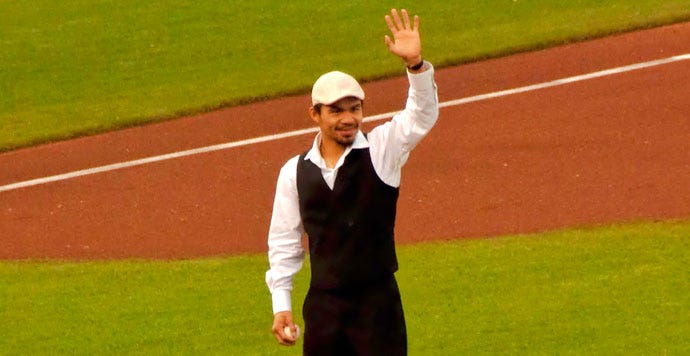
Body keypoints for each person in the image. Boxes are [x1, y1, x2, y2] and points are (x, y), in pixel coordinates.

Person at [265, 8, 438, 355]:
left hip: (377, 311)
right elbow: (284, 242)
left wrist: (416, 66)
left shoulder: (381, 150)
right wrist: (281, 304)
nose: (348, 119)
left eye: (355, 108)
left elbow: (421, 116)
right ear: (315, 114)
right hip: (324, 310)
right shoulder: (293, 172)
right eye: (337, 110)